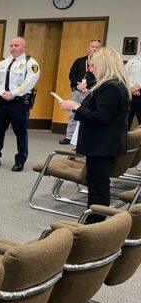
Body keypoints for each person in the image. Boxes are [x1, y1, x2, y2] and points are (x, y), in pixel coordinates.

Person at [59, 47, 131, 219]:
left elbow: (100, 118)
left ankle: (96, 223)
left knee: (98, 186)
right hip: (101, 144)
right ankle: (92, 219)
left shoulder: (111, 87)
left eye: (93, 65)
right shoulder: (112, 84)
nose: (90, 70)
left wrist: (76, 107)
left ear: (104, 64)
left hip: (101, 145)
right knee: (95, 184)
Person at [0, 36, 40, 172]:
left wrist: (13, 93)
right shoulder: (3, 63)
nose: (13, 48)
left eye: (16, 45)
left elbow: (29, 83)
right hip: (2, 102)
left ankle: (20, 160)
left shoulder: (31, 63)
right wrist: (2, 92)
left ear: (24, 48)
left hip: (19, 103)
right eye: (11, 45)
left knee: (20, 132)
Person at [61, 39, 101, 144]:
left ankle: (82, 137)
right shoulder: (79, 61)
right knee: (73, 113)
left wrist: (87, 86)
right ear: (88, 48)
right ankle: (69, 136)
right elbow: (72, 75)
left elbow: (99, 78)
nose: (94, 49)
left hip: (91, 92)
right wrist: (78, 85)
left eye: (97, 47)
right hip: (77, 91)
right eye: (93, 46)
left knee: (87, 113)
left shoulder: (100, 64)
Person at [124, 50, 141, 129]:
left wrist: (139, 86)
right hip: (130, 94)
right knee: (126, 121)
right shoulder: (132, 61)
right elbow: (124, 75)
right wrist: (131, 87)